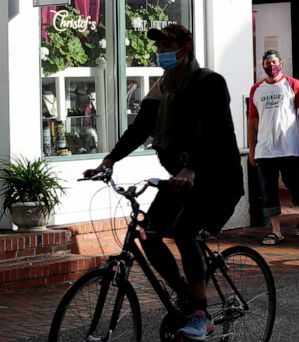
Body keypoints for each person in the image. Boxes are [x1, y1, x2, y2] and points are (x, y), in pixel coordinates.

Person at [83, 24, 243, 340]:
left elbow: (219, 134)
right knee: (148, 232)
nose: (161, 52)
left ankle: (201, 315)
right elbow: (139, 129)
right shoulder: (162, 90)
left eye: (167, 45)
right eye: (158, 47)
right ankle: (186, 295)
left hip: (219, 179)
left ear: (184, 49)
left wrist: (193, 169)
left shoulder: (209, 83)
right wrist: (109, 160)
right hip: (182, 180)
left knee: (184, 231)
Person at [248, 49, 299, 245]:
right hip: (265, 149)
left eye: (274, 62)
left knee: (293, 184)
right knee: (268, 190)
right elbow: (252, 121)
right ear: (262, 65)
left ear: (281, 63)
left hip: (288, 147)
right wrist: (252, 150)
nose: (271, 66)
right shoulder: (256, 89)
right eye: (267, 63)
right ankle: (276, 231)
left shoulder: (292, 84)